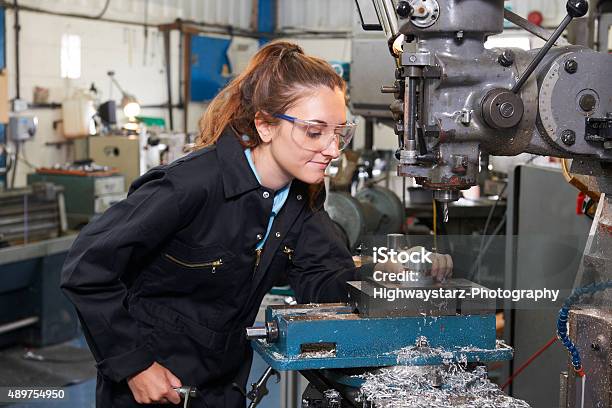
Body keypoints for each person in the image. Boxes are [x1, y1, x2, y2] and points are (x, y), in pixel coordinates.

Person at [60, 41, 452, 407]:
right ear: (265, 125)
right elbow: (86, 267)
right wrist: (135, 365)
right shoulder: (191, 186)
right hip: (151, 386)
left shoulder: (302, 200)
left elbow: (323, 281)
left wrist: (380, 274)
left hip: (224, 385)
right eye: (315, 132)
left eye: (339, 134)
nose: (332, 150)